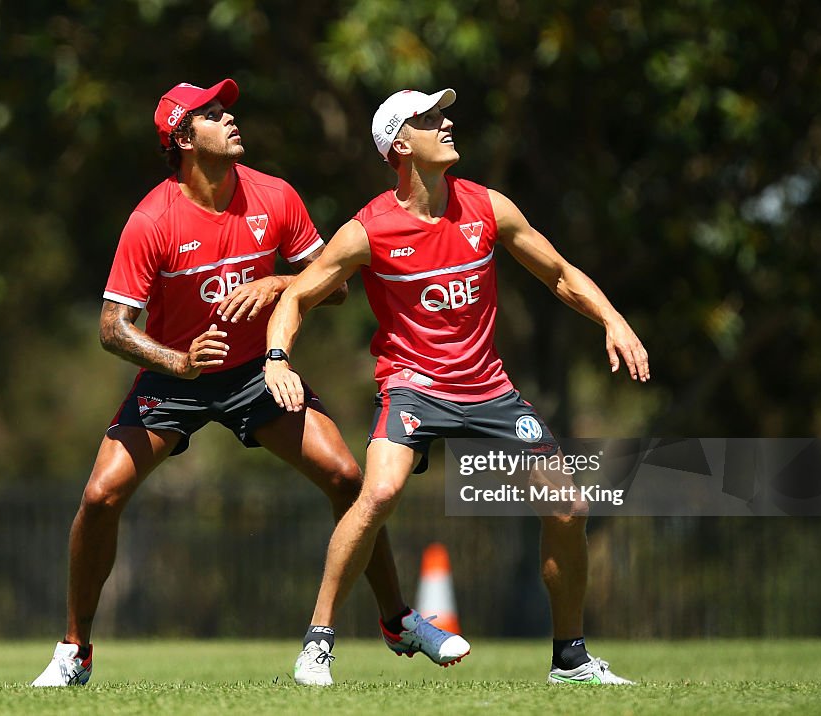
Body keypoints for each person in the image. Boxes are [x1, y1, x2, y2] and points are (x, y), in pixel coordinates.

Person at [32, 79, 463, 686]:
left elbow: (333, 285)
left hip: (255, 375)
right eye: (211, 114)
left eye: (227, 108)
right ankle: (74, 650)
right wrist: (178, 362)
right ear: (184, 139)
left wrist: (279, 284)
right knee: (101, 497)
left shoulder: (275, 196)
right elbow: (112, 327)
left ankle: (397, 620)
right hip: (177, 381)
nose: (229, 117)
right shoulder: (152, 218)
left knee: (346, 476)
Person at [265, 87, 650, 686]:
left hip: (489, 389)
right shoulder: (368, 229)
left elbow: (559, 274)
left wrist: (612, 319)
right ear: (400, 144)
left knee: (568, 506)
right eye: (428, 119)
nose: (446, 124)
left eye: (443, 115)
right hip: (412, 386)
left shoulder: (488, 207)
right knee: (379, 493)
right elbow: (297, 294)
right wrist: (277, 357)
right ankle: (318, 644)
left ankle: (570, 660)